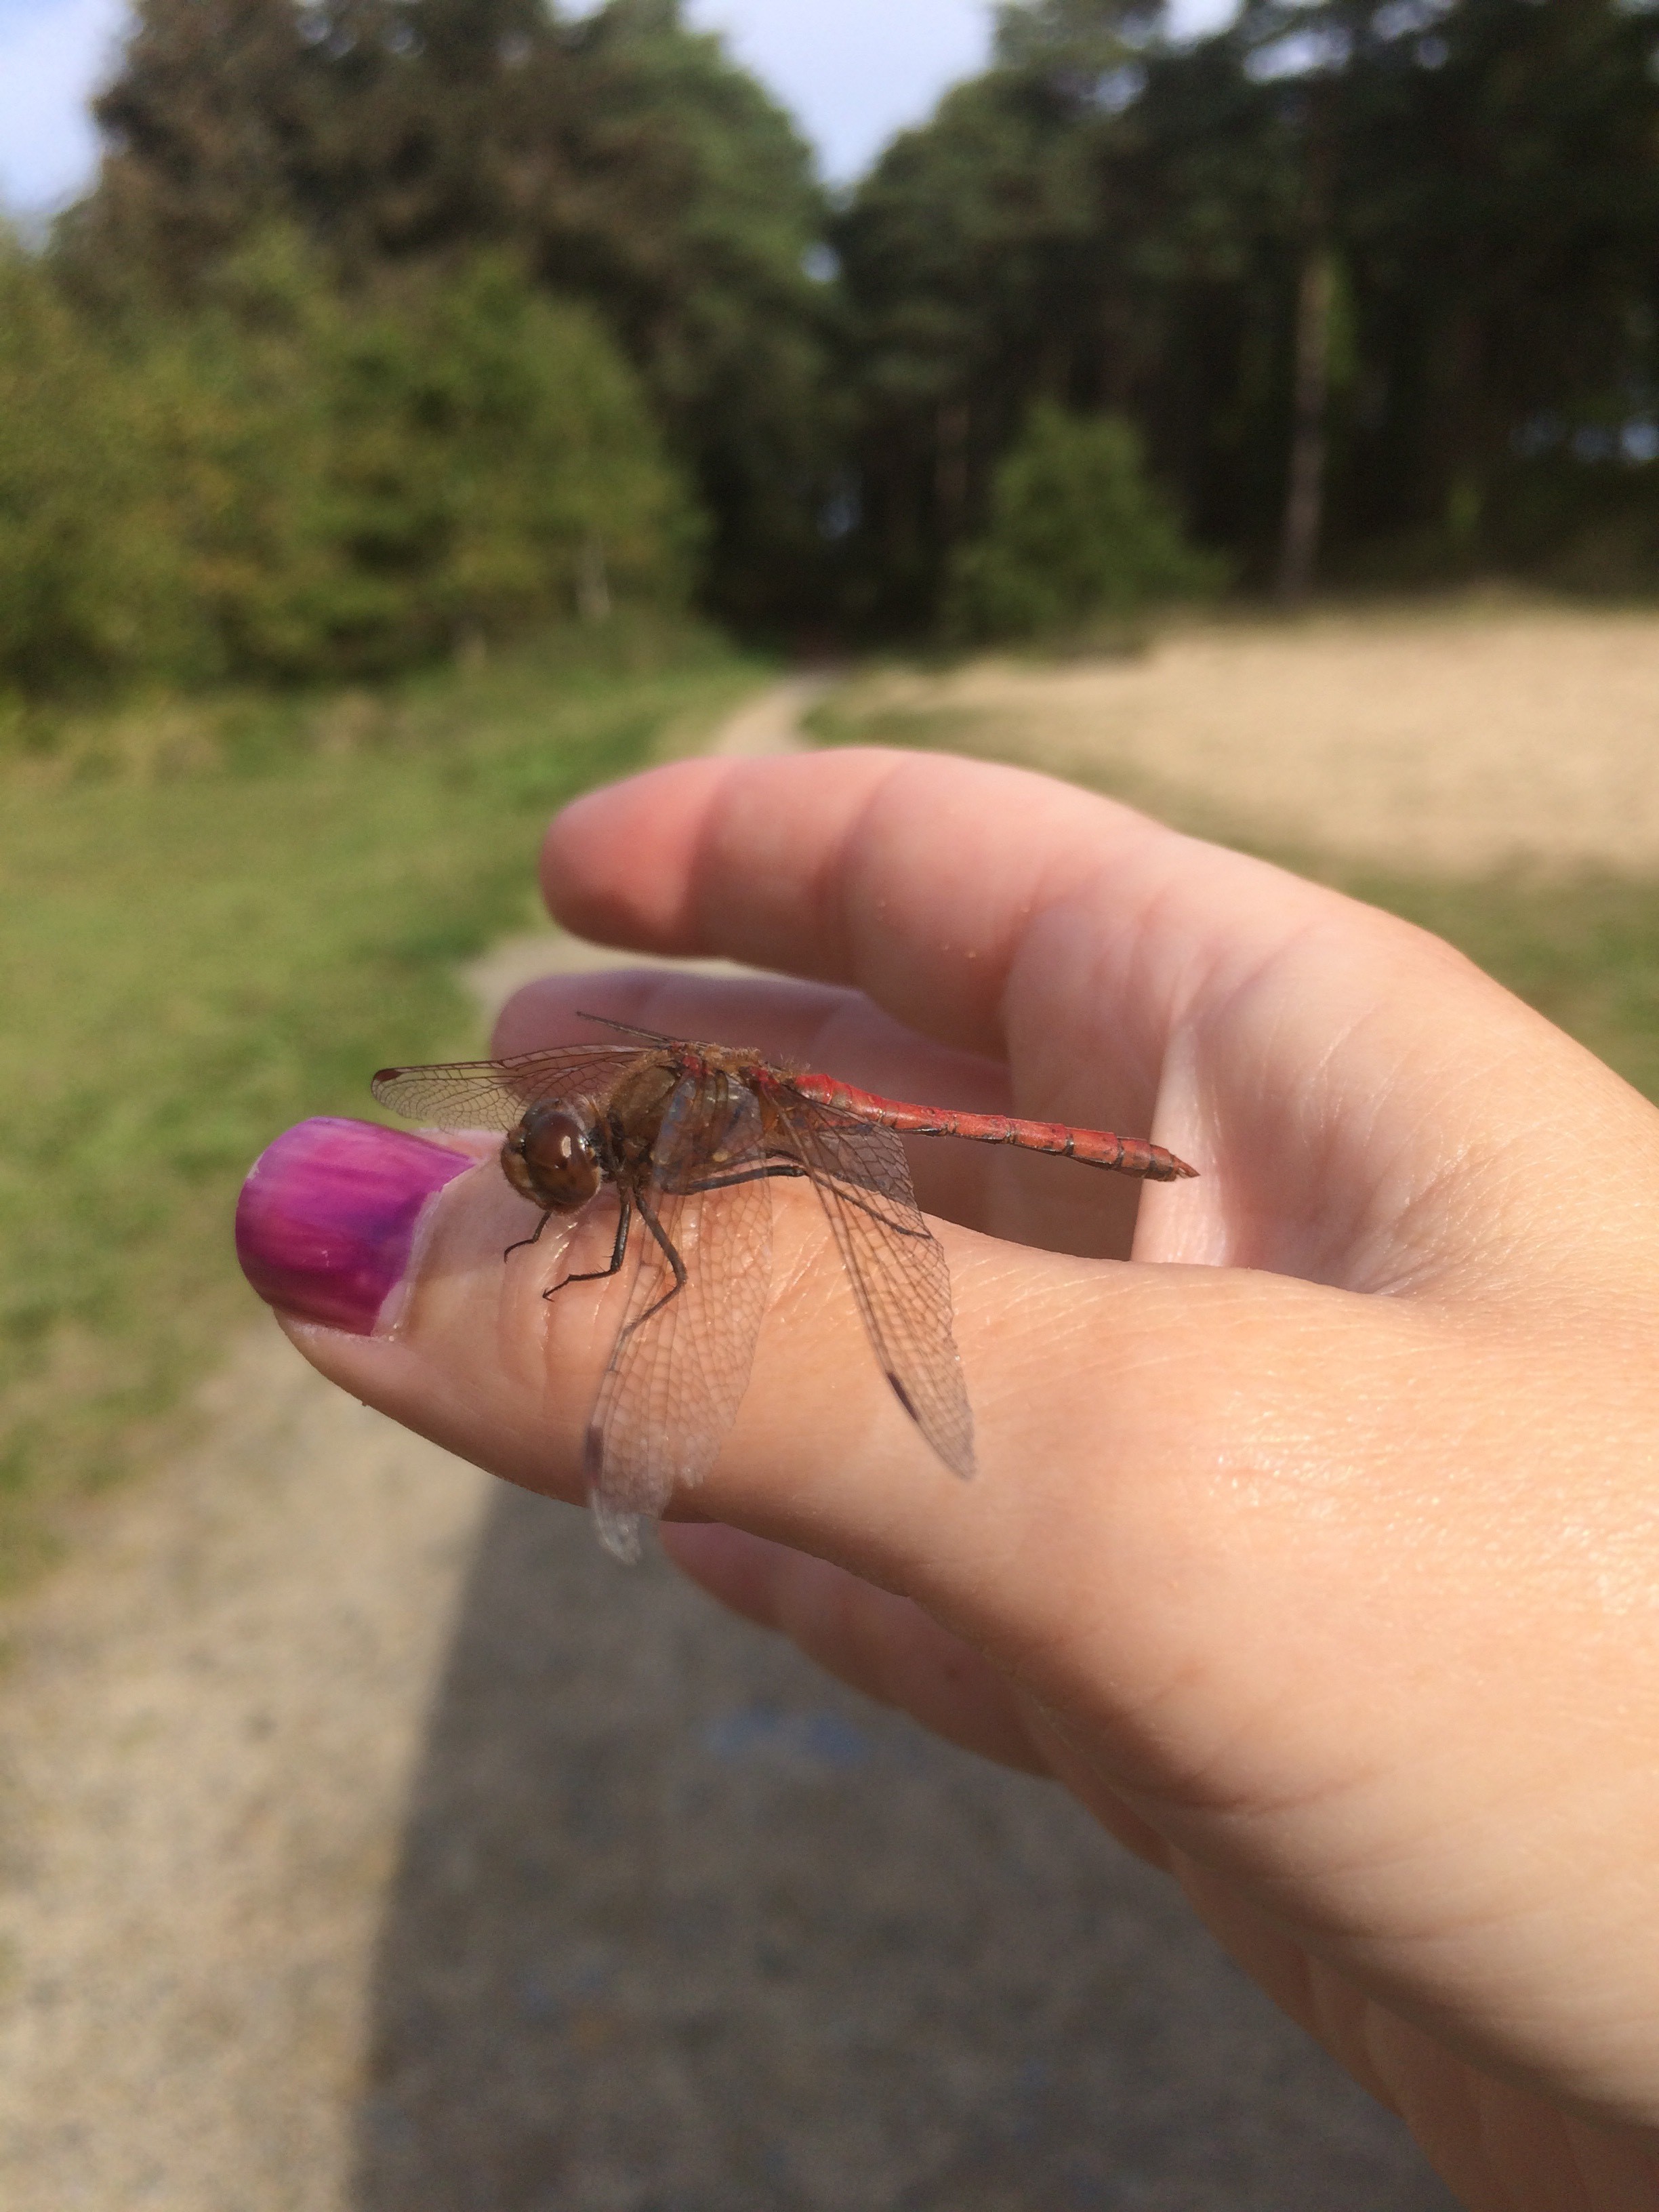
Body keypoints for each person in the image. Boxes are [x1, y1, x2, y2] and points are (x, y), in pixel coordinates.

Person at [235, 748, 1659, 2210]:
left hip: (841, 1129)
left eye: (564, 1159)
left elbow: (652, 1255)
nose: (557, 1162)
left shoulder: (670, 1147)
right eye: (553, 1157)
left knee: (671, 1274)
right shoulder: (613, 1114)